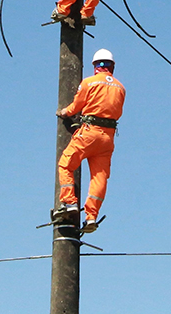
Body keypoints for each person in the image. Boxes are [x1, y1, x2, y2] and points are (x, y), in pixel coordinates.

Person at [54, 49, 126, 233]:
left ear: (95, 66)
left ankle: (69, 203)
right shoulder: (120, 88)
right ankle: (91, 216)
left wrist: (64, 112)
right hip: (107, 138)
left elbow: (76, 106)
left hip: (89, 132)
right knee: (99, 176)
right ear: (113, 66)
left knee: (65, 164)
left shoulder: (89, 82)